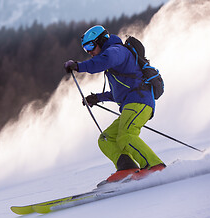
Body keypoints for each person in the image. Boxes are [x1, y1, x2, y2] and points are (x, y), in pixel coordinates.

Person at [64, 25, 165, 181]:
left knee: (126, 136)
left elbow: (104, 61)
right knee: (106, 139)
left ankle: (154, 166)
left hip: (140, 102)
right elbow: (119, 94)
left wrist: (78, 66)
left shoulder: (116, 51)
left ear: (101, 41)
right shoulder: (112, 58)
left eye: (90, 46)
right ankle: (127, 167)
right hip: (131, 103)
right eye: (85, 48)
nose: (89, 51)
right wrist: (97, 98)